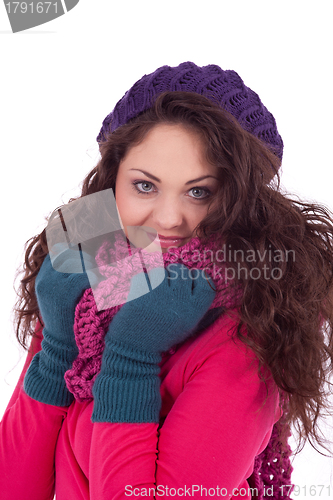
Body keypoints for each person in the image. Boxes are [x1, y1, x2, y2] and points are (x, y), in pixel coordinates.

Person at [1, 61, 333, 500]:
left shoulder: (246, 333)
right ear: (112, 179)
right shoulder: (88, 293)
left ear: (242, 200)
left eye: (200, 191)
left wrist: (132, 358)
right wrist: (58, 348)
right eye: (145, 186)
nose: (169, 219)